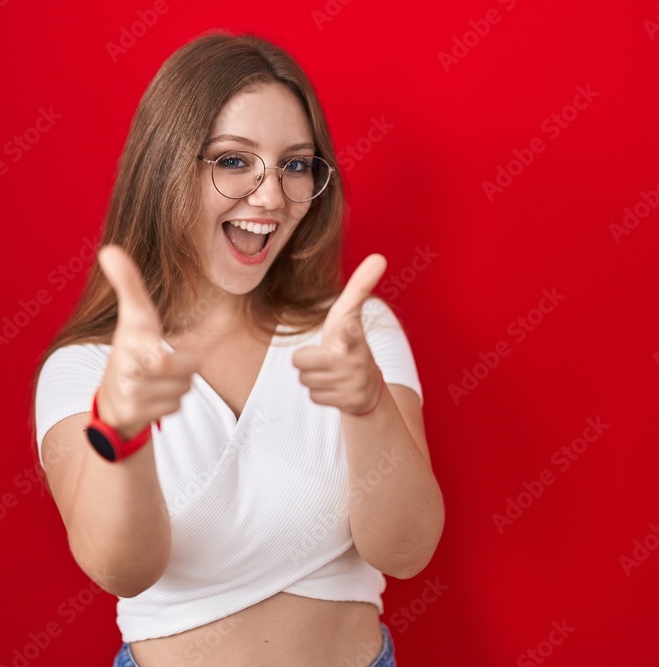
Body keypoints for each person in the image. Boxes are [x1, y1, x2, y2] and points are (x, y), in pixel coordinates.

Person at [30, 31, 445, 667]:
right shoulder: (84, 368)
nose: (272, 196)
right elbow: (121, 570)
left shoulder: (355, 332)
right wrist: (122, 432)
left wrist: (367, 409)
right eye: (233, 160)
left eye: (296, 164)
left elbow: (407, 550)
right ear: (166, 167)